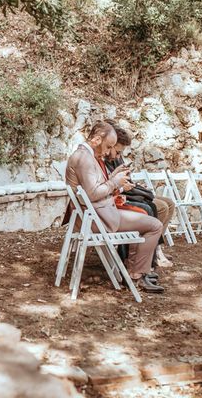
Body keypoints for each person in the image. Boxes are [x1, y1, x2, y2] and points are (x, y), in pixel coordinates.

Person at [65, 121, 164, 293]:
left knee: (148, 218)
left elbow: (94, 187)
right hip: (98, 219)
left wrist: (113, 176)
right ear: (96, 139)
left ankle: (134, 272)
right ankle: (135, 275)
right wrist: (114, 182)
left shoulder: (86, 156)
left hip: (97, 214)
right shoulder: (84, 158)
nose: (108, 152)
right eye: (108, 146)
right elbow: (92, 194)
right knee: (155, 226)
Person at [105, 124, 175, 268]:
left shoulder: (115, 157)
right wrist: (123, 187)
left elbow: (120, 178)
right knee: (159, 207)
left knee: (169, 203)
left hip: (125, 192)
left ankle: (156, 247)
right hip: (118, 198)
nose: (118, 155)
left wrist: (133, 186)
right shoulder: (103, 158)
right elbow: (108, 184)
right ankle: (150, 251)